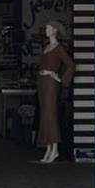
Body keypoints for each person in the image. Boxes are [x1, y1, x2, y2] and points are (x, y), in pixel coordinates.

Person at [36, 21, 74, 163]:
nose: (46, 30)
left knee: (50, 115)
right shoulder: (47, 47)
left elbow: (70, 65)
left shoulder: (58, 48)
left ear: (54, 30)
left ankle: (55, 150)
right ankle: (49, 149)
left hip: (51, 84)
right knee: (45, 116)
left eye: (48, 28)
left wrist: (59, 78)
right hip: (43, 83)